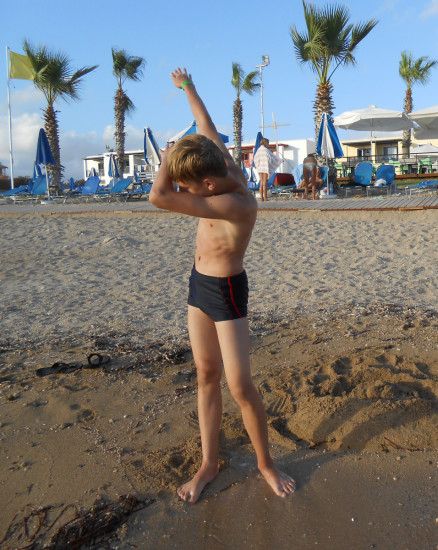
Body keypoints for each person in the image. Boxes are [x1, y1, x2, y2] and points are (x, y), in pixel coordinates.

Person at [149, 67, 296, 504]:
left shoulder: (235, 202)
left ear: (208, 185)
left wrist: (166, 159)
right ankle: (208, 464)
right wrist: (188, 87)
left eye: (188, 187)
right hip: (199, 285)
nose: (183, 191)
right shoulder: (218, 161)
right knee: (206, 374)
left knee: (240, 386)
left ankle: (266, 464)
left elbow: (158, 196)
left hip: (227, 292)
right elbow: (206, 123)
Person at [253, 137, 279, 202]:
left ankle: (261, 198)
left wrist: (257, 166)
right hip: (265, 167)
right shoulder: (266, 150)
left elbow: (255, 158)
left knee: (261, 183)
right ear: (266, 143)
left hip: (260, 168)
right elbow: (270, 158)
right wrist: (279, 160)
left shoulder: (259, 150)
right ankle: (265, 198)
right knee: (265, 183)